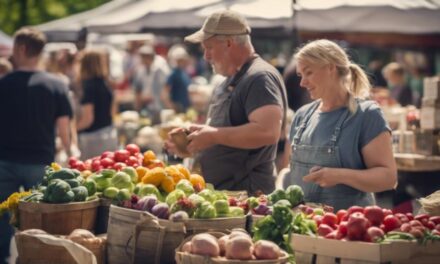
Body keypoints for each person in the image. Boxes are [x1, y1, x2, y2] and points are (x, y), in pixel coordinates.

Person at [165, 10, 288, 195]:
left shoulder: (259, 77)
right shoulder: (234, 78)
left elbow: (268, 132)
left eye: (209, 48)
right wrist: (194, 143)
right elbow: (227, 134)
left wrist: (213, 135)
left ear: (229, 43)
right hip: (226, 195)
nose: (205, 56)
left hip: (247, 197)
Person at [284, 39, 397, 211]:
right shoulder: (302, 116)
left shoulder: (367, 115)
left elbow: (388, 178)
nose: (302, 83)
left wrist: (339, 175)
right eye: (301, 75)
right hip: (305, 226)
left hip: (348, 228)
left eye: (309, 73)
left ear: (331, 67)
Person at [0, 27, 73, 263]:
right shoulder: (56, 84)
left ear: (21, 49)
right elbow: (64, 127)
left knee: (2, 217)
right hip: (40, 160)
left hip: (5, 159)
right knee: (42, 217)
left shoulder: (4, 83)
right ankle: (39, 257)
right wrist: (70, 154)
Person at [76, 49, 117, 159]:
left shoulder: (88, 86)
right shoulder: (105, 83)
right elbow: (112, 111)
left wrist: (72, 130)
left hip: (93, 139)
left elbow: (87, 119)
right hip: (109, 133)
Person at [133, 44, 170, 122]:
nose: (143, 60)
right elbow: (137, 89)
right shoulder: (140, 71)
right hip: (146, 106)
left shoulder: (159, 70)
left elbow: (164, 89)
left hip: (158, 106)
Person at [162, 45, 192, 113]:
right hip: (178, 110)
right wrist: (172, 107)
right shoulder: (173, 74)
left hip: (186, 109)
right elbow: (164, 94)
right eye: (180, 60)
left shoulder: (184, 73)